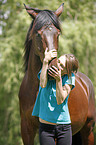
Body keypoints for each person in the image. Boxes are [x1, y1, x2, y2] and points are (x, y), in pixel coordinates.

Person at [32, 48, 79, 145]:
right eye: (58, 61)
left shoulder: (69, 78)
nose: (57, 65)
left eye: (62, 66)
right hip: (46, 128)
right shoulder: (47, 69)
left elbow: (60, 100)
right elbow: (43, 84)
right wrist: (45, 61)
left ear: (67, 72)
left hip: (64, 127)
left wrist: (58, 80)